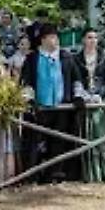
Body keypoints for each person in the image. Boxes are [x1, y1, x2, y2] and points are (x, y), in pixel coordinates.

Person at [20, 23, 79, 181]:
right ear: (43, 39)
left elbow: (76, 79)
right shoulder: (32, 59)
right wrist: (29, 98)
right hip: (40, 108)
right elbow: (26, 82)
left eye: (56, 37)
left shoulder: (66, 57)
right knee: (36, 141)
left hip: (62, 106)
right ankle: (34, 174)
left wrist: (78, 96)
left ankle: (56, 173)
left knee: (59, 141)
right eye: (52, 37)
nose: (56, 40)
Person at [73, 28, 105, 182]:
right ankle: (90, 172)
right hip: (84, 101)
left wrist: (98, 95)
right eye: (89, 37)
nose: (92, 40)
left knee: (102, 134)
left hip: (100, 102)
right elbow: (76, 79)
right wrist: (85, 95)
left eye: (95, 38)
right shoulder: (77, 59)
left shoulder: (104, 58)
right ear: (83, 40)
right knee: (87, 136)